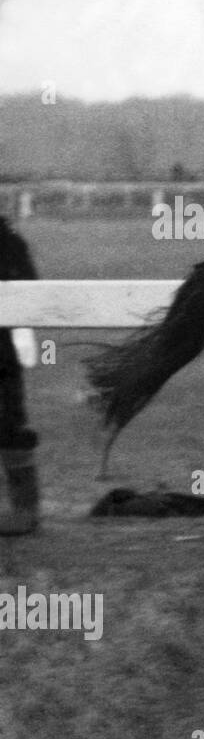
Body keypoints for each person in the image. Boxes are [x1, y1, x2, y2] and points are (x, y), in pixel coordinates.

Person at [0, 213, 39, 535]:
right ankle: (26, 510)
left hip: (2, 351)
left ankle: (25, 510)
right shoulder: (10, 239)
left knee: (10, 424)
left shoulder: (8, 240)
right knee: (11, 422)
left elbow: (28, 291)